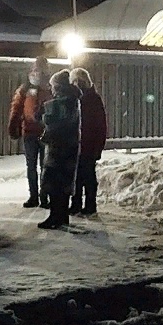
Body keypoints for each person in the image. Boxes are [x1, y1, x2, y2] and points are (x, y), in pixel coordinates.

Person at [38, 69, 82, 229]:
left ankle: (56, 216)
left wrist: (45, 114)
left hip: (61, 148)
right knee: (61, 183)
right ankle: (60, 216)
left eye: (53, 86)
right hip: (67, 147)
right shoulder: (70, 100)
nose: (51, 89)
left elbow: (57, 122)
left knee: (56, 183)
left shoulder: (66, 102)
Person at [8, 56, 52, 208]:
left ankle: (44, 196)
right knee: (32, 166)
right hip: (29, 131)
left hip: (45, 132)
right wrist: (14, 123)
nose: (37, 72)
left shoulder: (50, 86)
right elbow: (17, 106)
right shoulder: (26, 88)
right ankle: (34, 196)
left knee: (44, 166)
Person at [69, 67, 106, 216]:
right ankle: (76, 203)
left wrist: (98, 147)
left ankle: (90, 205)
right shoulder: (77, 99)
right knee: (77, 177)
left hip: (88, 144)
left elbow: (100, 125)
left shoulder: (92, 99)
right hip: (78, 144)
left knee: (88, 176)